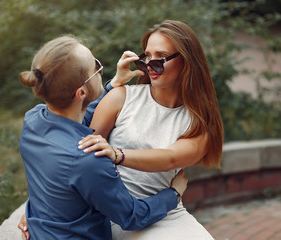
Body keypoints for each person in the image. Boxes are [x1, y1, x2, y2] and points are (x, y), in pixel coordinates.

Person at [18, 34, 188, 240]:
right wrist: (174, 194)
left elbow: (76, 117)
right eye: (96, 68)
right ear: (81, 93)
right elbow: (131, 215)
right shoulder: (89, 158)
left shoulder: (33, 120)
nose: (101, 70)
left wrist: (112, 84)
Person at [77, 20, 224, 239]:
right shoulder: (120, 98)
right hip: (114, 211)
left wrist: (117, 154)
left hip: (164, 213)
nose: (150, 65)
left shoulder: (200, 123)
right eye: (147, 56)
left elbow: (171, 158)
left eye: (160, 57)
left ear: (186, 61)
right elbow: (76, 155)